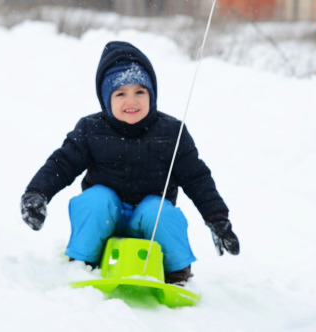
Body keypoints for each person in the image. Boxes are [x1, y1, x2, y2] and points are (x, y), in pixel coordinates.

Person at [19, 41, 239, 285]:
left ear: (152, 94)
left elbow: (197, 178)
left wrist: (217, 218)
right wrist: (36, 194)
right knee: (95, 199)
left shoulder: (172, 132)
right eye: (120, 94)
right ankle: (82, 262)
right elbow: (61, 164)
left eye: (140, 92)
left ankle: (177, 272)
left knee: (159, 211)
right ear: (106, 99)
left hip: (147, 224)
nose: (131, 101)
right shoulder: (91, 129)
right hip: (106, 218)